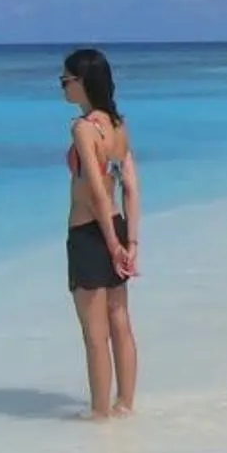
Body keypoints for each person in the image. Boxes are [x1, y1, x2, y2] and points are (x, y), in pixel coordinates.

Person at [60, 47, 142, 419]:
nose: (62, 86)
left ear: (83, 82)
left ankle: (99, 414)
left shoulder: (82, 128)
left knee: (95, 335)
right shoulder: (119, 127)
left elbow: (95, 190)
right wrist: (130, 243)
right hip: (117, 227)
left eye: (66, 80)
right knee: (120, 322)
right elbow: (131, 188)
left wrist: (110, 245)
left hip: (90, 233)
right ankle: (124, 404)